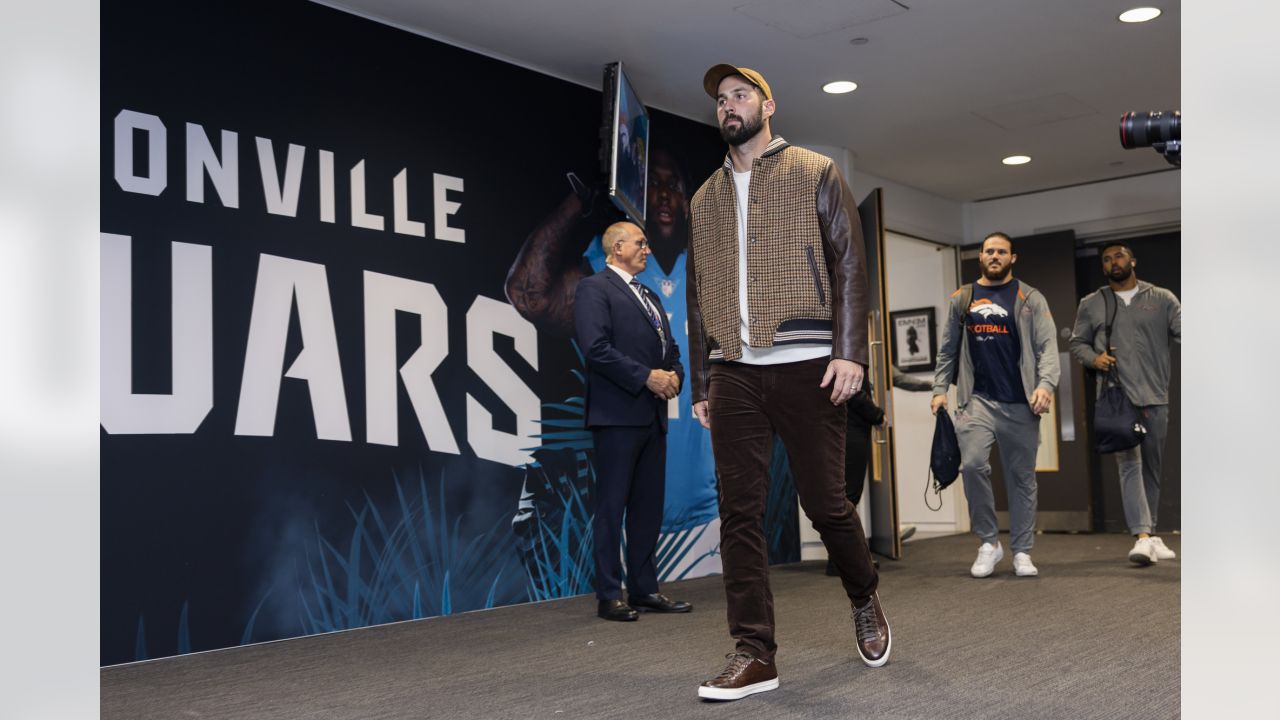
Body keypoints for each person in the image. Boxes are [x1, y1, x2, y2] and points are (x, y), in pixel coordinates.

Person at [687, 64, 890, 702]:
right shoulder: (704, 198)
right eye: (721, 99)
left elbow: (849, 263)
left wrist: (851, 352)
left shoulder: (814, 171)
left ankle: (864, 595)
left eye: (740, 95)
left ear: (768, 104)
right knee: (738, 513)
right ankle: (754, 653)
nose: (729, 105)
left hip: (807, 361)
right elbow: (698, 297)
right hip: (734, 372)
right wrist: (701, 381)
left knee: (825, 503)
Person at [505, 148, 719, 542]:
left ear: (688, 202)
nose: (665, 194)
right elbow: (528, 293)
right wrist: (578, 202)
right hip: (629, 485)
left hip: (706, 507)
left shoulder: (705, 271)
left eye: (674, 186)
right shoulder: (609, 275)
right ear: (635, 197)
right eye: (653, 184)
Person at [574, 221, 692, 621]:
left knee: (647, 509)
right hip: (616, 417)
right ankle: (609, 594)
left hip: (652, 416)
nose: (647, 249)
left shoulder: (648, 294)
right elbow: (596, 348)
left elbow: (670, 348)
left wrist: (675, 374)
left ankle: (644, 590)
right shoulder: (595, 288)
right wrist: (647, 376)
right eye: (640, 243)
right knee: (612, 507)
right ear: (617, 247)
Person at [932, 232, 1059, 579]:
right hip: (978, 401)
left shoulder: (1030, 297)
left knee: (1021, 479)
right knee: (972, 466)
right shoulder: (963, 298)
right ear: (982, 256)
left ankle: (1022, 550)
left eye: (1001, 251)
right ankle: (989, 543)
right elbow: (947, 349)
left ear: (1012, 258)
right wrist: (940, 389)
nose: (994, 256)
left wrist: (1046, 385)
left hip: (1021, 404)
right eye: (989, 251)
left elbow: (1048, 346)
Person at [1069, 242, 1181, 566]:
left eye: (1119, 256)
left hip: (1156, 396)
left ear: (1133, 260)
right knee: (1129, 465)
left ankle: (1151, 532)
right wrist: (1094, 357)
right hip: (1118, 398)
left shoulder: (1162, 298)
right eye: (1106, 259)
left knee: (1152, 468)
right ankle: (1142, 537)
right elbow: (1077, 342)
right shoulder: (1092, 303)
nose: (1113, 262)